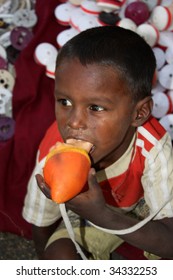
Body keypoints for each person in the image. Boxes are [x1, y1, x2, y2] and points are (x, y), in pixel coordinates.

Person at [22, 26, 173, 260]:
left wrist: (103, 214)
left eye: (96, 108)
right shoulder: (53, 155)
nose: (74, 122)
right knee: (59, 256)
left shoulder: (153, 147)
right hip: (86, 216)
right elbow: (41, 225)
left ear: (139, 113)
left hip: (149, 211)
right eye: (64, 102)